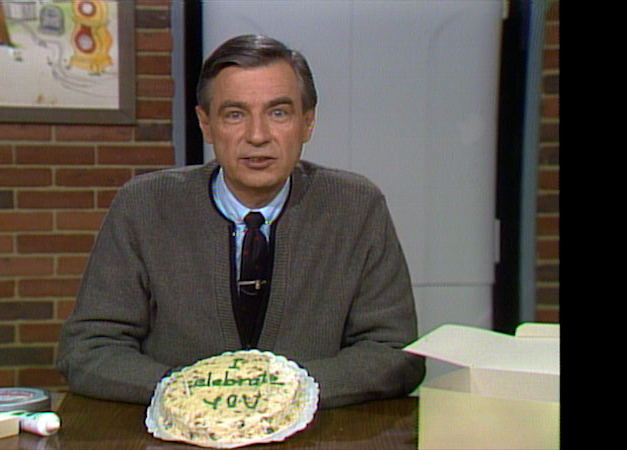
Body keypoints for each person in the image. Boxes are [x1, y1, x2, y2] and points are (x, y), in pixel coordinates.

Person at [56, 34, 425, 409]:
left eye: (278, 113)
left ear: (307, 123)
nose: (257, 136)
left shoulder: (356, 207)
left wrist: (284, 392)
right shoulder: (145, 206)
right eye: (235, 114)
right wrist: (202, 393)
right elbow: (88, 349)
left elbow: (395, 352)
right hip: (180, 430)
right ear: (206, 125)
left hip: (318, 432)